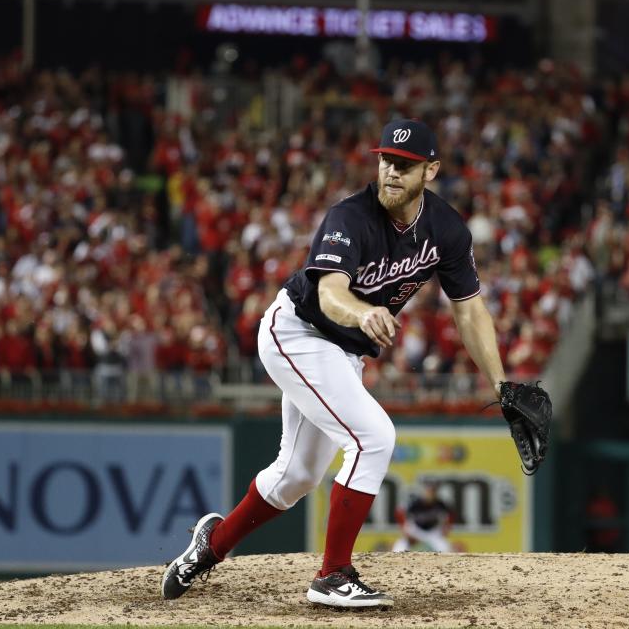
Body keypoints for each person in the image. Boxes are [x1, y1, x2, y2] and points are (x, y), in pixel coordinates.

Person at [161, 119, 508, 608]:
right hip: (297, 333)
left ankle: (209, 548)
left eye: (406, 165)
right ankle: (332, 574)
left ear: (431, 171)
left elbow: (469, 307)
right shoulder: (351, 217)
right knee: (374, 438)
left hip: (342, 353)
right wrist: (365, 312)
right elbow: (329, 294)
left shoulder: (446, 228)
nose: (392, 171)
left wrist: (501, 383)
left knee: (297, 476)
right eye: (387, 160)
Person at [391, 482, 455, 553]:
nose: (430, 494)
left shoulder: (440, 504)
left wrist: (446, 528)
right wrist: (405, 530)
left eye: (432, 491)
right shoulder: (415, 503)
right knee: (399, 547)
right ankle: (393, 563)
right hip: (417, 531)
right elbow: (399, 513)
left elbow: (451, 515)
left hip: (433, 533)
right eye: (428, 491)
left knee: (445, 548)